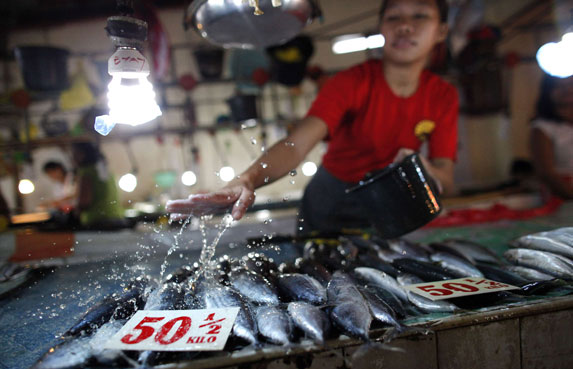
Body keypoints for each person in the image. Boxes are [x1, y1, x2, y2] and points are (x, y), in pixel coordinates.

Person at [167, 0, 458, 234]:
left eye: (420, 15)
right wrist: (248, 179)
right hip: (331, 200)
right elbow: (296, 145)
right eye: (394, 17)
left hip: (389, 202)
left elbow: (446, 175)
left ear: (442, 31)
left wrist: (422, 167)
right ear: (381, 27)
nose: (405, 27)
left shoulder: (443, 96)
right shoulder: (351, 83)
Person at [530, 75, 573, 200]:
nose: (567, 90)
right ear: (548, 92)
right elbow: (546, 173)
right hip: (563, 195)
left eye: (570, 84)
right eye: (559, 86)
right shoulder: (542, 128)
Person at [71, 142, 125, 229]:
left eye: (75, 153)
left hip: (98, 221)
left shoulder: (86, 171)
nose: (73, 157)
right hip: (117, 218)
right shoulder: (105, 169)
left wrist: (76, 212)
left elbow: (85, 201)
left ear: (83, 154)